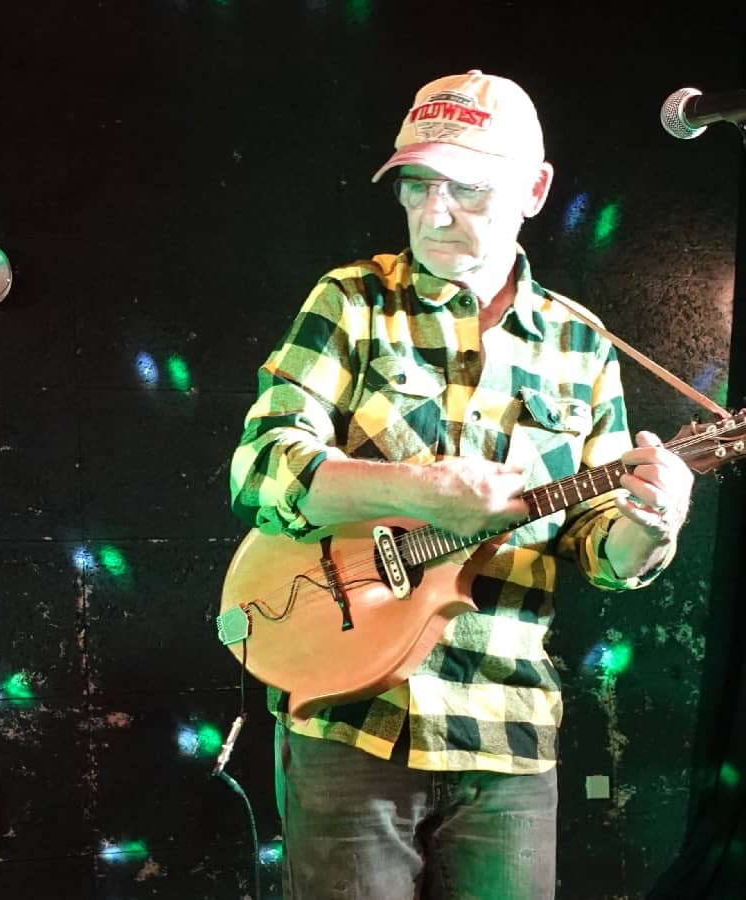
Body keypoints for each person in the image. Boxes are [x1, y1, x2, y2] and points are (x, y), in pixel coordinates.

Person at [227, 70, 696, 898]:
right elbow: (262, 470)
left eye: (467, 189)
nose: (433, 212)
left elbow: (598, 549)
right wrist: (417, 490)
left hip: (507, 737)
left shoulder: (581, 345)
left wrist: (652, 523)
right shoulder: (353, 302)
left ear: (535, 189)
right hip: (350, 722)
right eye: (417, 184)